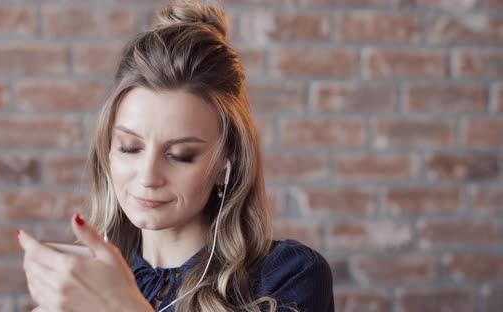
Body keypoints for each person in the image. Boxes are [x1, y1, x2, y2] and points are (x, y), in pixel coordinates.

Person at [16, 0, 334, 311]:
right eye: (130, 147)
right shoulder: (85, 286)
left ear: (227, 162)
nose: (148, 176)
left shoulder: (287, 277)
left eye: (181, 155)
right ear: (108, 149)